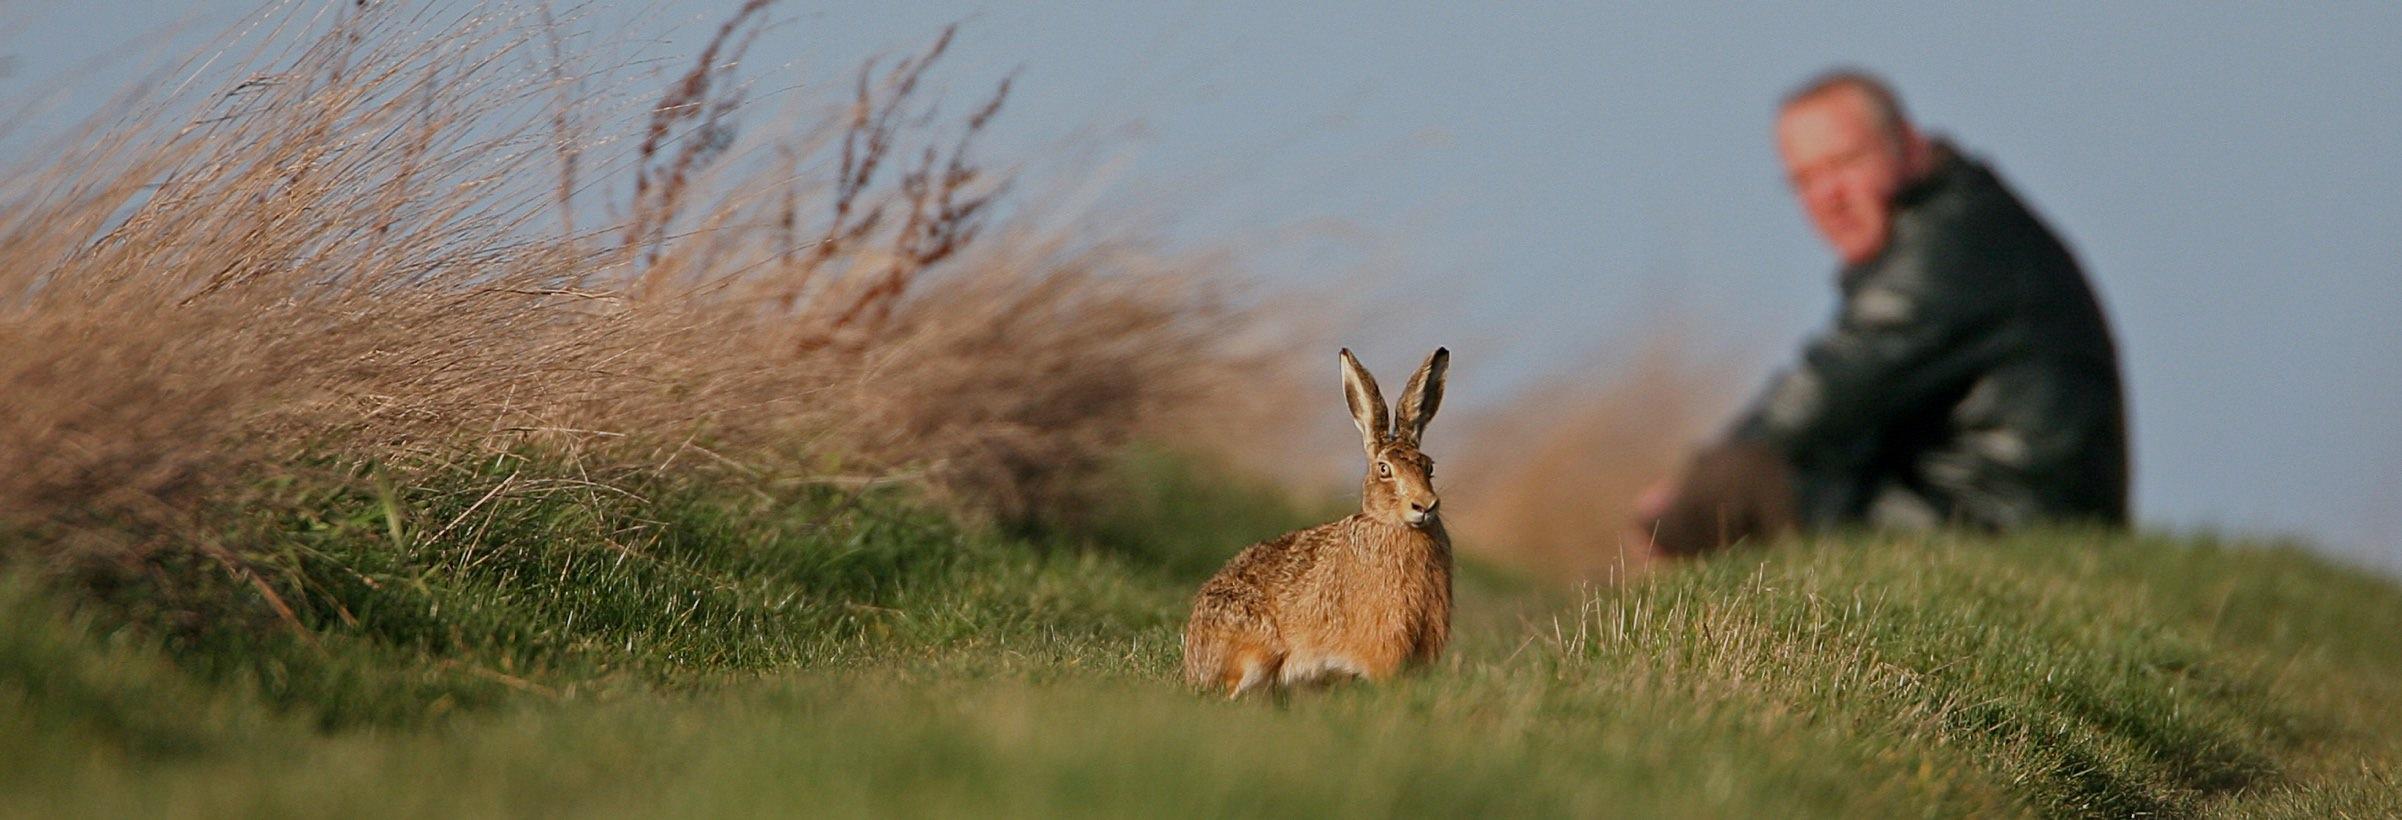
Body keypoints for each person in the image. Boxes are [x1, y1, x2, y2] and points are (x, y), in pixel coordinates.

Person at [1633, 70, 2130, 556]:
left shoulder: (1945, 249)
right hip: (2012, 513)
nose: (1828, 197)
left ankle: (1665, 625)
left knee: (1747, 482)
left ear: (1908, 146)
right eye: (1805, 180)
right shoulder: (1962, 217)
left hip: (2006, 529)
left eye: (1845, 162)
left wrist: (1684, 496)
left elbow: (1824, 395)